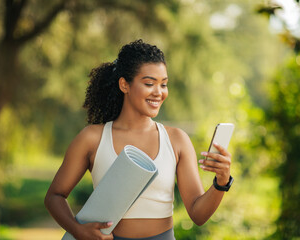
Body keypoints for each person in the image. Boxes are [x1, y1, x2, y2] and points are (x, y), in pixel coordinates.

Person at [44, 39, 233, 240]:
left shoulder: (177, 140)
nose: (158, 92)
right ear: (124, 84)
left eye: (164, 84)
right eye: (149, 84)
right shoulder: (93, 138)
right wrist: (77, 230)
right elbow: (55, 196)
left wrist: (221, 182)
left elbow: (198, 214)